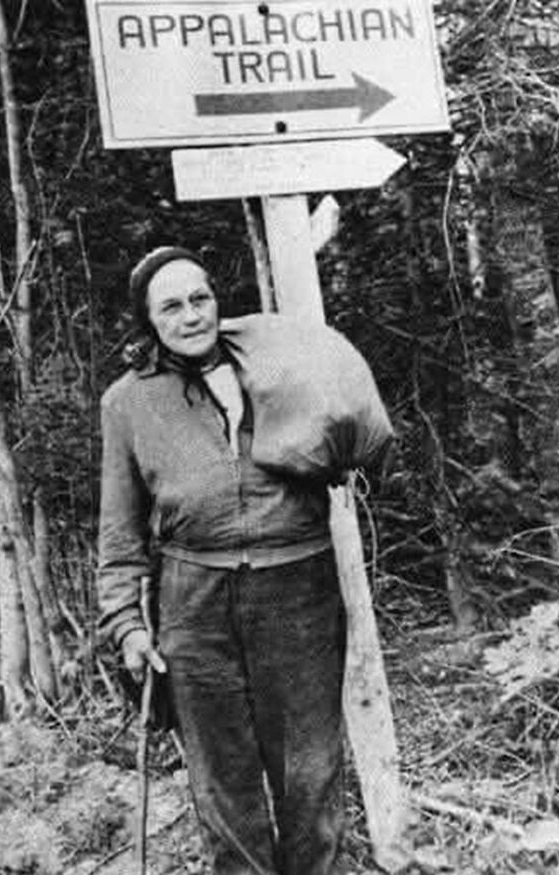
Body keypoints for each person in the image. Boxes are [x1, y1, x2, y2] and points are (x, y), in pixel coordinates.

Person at [97, 246, 347, 875]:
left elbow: (345, 436)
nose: (190, 316)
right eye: (171, 307)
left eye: (200, 299)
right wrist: (127, 623)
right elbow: (120, 530)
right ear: (149, 321)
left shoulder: (274, 366)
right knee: (223, 782)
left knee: (311, 771)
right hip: (195, 601)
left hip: (298, 589)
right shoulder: (127, 403)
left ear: (217, 301)